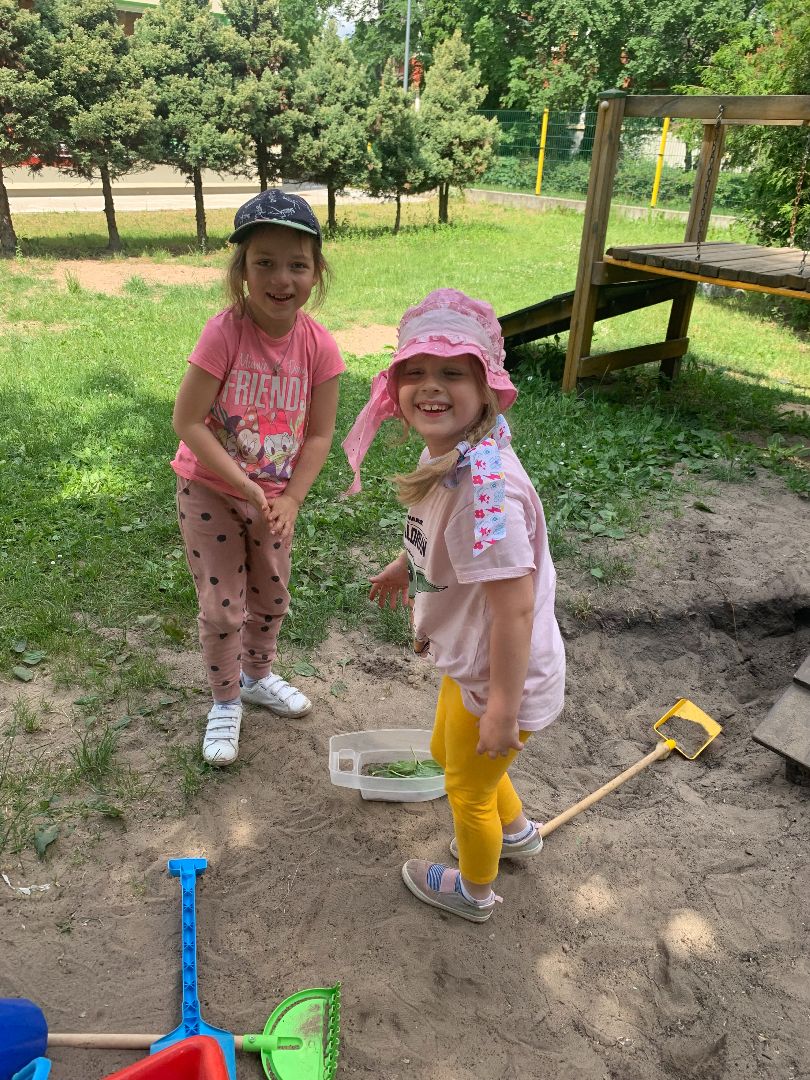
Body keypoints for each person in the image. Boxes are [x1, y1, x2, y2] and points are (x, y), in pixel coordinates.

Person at [342, 288, 565, 922]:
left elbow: (515, 610)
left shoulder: (486, 495)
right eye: (414, 370)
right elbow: (435, 530)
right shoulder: (449, 454)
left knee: (466, 789)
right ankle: (516, 832)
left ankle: (474, 890)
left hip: (501, 675)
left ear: (486, 387)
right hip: (471, 659)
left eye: (452, 372)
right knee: (449, 755)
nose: (430, 386)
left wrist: (502, 709)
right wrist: (404, 564)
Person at [172, 190, 344, 766]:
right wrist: (243, 484)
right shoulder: (223, 334)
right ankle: (225, 701)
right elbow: (187, 421)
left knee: (270, 596)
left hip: (274, 501)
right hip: (211, 490)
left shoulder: (320, 347)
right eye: (264, 262)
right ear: (241, 269)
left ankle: (256, 676)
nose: (281, 278)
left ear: (317, 272)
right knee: (224, 607)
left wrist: (291, 496)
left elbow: (318, 435)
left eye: (297, 264)